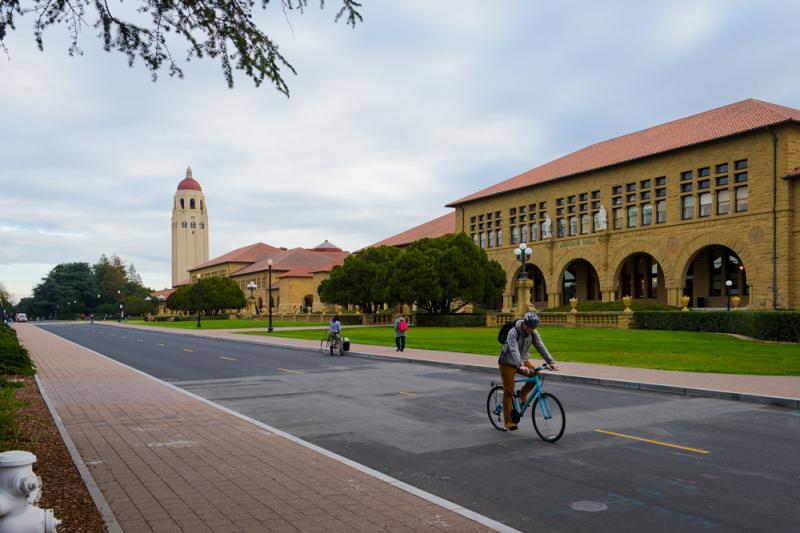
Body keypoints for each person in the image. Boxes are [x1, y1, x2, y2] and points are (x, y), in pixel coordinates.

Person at [497, 312, 560, 431]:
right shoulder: (513, 332)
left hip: (522, 361)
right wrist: (520, 365)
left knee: (537, 374)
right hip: (507, 363)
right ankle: (508, 422)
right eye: (531, 327)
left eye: (534, 327)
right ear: (525, 325)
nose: (532, 330)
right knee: (509, 391)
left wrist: (551, 362)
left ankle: (522, 394)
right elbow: (514, 349)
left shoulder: (533, 333)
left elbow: (541, 346)